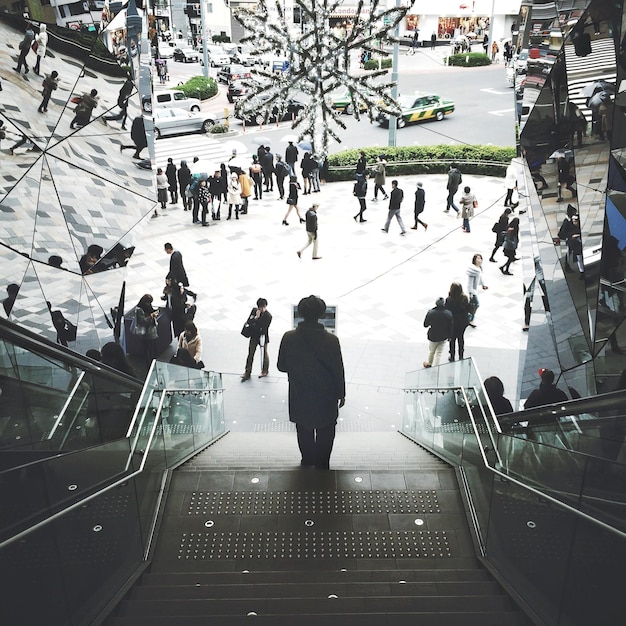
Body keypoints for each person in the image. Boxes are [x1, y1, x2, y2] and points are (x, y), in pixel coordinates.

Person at [277, 295, 345, 469]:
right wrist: (341, 393)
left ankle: (307, 460)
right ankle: (323, 464)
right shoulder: (331, 340)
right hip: (326, 395)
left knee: (304, 428)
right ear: (321, 314)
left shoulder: (289, 337)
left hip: (300, 392)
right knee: (326, 429)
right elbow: (338, 370)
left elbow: (281, 366)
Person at [241, 298, 273, 381]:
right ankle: (247, 371)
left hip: (262, 336)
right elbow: (249, 321)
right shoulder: (254, 311)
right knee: (251, 353)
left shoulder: (268, 316)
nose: (261, 309)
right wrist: (256, 318)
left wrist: (257, 320)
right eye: (260, 308)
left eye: (263, 307)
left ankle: (265, 370)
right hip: (254, 336)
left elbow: (262, 327)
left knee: (264, 353)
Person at [423, 297, 453, 368]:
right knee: (439, 353)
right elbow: (451, 327)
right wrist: (450, 336)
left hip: (433, 336)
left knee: (432, 351)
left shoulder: (431, 312)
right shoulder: (448, 313)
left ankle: (429, 363)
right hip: (444, 336)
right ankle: (437, 367)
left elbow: (425, 325)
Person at [445, 282, 470, 361]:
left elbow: (447, 311)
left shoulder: (449, 299)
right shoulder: (464, 298)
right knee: (461, 337)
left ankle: (452, 356)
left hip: (453, 322)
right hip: (463, 322)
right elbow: (468, 309)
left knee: (452, 339)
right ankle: (461, 355)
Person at [132, 294, 159, 366]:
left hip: (152, 331)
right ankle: (148, 364)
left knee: (152, 348)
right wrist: (151, 316)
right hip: (146, 332)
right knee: (147, 349)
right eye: (148, 302)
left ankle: (153, 362)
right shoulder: (139, 309)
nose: (149, 304)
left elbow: (151, 311)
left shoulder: (148, 306)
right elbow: (143, 321)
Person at [466, 254, 488, 327]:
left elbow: (480, 277)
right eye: (477, 258)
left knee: (472, 305)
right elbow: (470, 283)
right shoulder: (473, 270)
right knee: (476, 304)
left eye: (480, 258)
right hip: (472, 291)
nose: (479, 260)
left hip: (474, 290)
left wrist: (483, 285)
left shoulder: (479, 268)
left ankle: (469, 317)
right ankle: (470, 319)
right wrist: (471, 294)